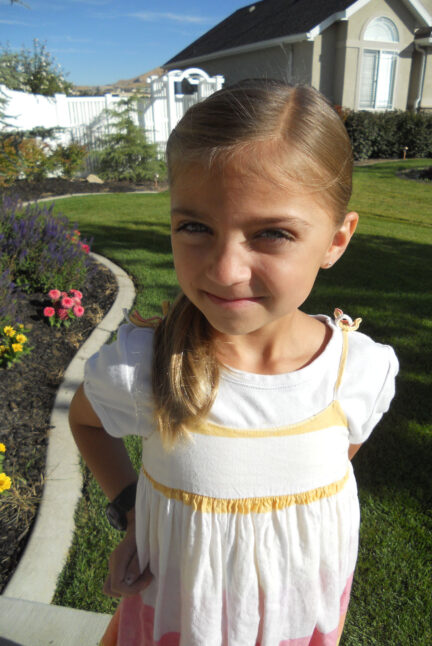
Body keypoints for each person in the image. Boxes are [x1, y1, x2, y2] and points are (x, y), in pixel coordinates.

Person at [69, 79, 399, 646]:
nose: (224, 271)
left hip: (297, 623)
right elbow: (85, 420)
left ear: (336, 241)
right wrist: (131, 510)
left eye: (272, 233)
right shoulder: (142, 366)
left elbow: (335, 456)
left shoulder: (360, 371)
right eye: (194, 227)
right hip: (178, 619)